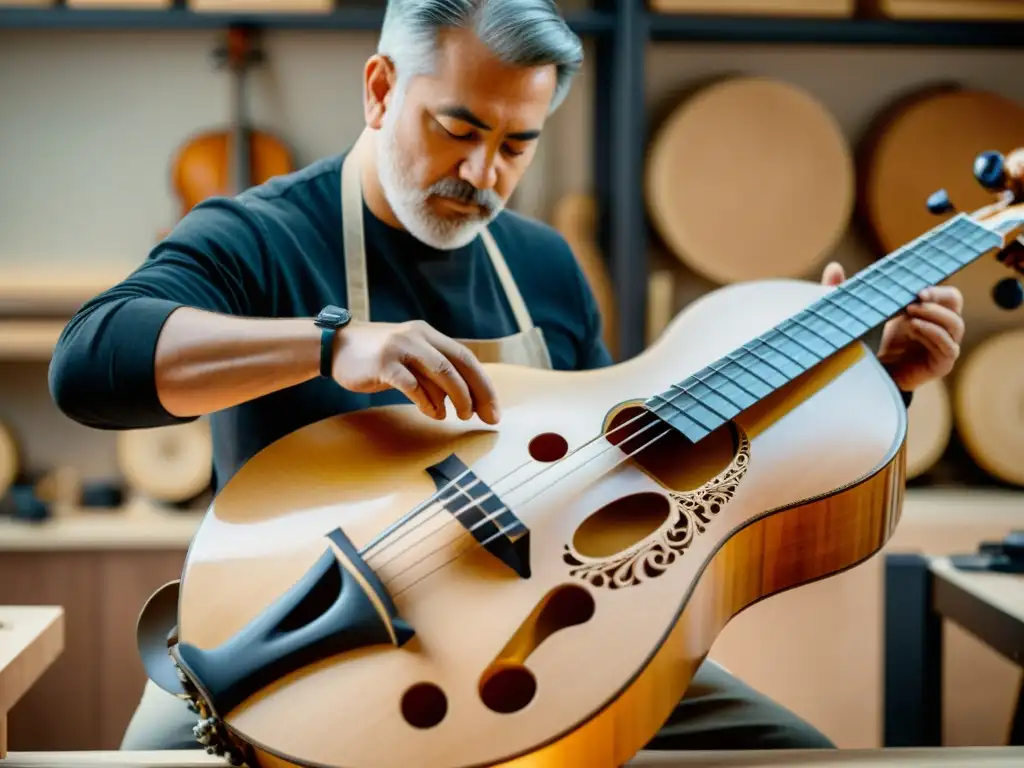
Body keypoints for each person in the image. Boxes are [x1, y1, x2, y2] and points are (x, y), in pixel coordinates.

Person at [48, 0, 966, 756]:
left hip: (540, 642)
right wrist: (332, 345)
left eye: (518, 145)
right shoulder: (259, 236)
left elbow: (632, 463)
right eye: (458, 129)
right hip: (301, 639)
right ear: (379, 90)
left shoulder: (548, 267)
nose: (483, 173)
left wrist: (875, 384)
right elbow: (90, 361)